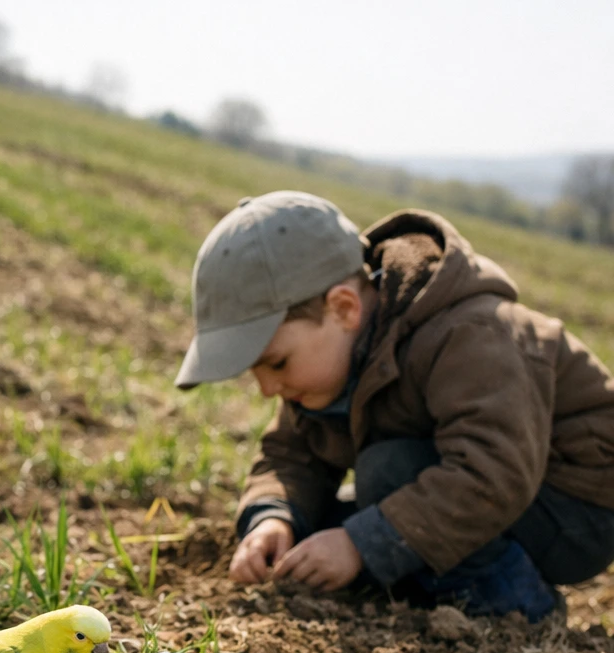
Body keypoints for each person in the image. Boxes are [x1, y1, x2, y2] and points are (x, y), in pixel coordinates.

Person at [176, 191, 614, 622]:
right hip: (487, 487)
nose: (268, 389)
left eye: (276, 363)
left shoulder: (473, 332)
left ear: (344, 308)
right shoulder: (327, 365)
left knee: (385, 474)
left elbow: (495, 470)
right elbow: (290, 453)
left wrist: (359, 545)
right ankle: (419, 573)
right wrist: (274, 519)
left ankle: (517, 605)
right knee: (324, 524)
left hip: (576, 506)